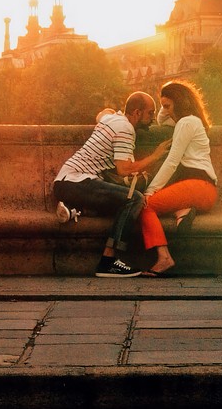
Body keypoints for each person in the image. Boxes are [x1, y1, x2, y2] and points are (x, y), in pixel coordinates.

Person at [52, 91, 157, 276]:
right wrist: (156, 156)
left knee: (117, 201)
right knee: (135, 199)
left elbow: (101, 114)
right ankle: (109, 261)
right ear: (137, 113)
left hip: (66, 182)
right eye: (150, 113)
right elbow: (123, 170)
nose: (153, 118)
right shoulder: (126, 129)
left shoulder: (112, 118)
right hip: (79, 181)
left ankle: (74, 210)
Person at [132, 79, 217, 277]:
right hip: (204, 189)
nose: (166, 111)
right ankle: (183, 210)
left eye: (168, 106)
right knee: (161, 202)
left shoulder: (186, 122)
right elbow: (162, 121)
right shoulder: (191, 121)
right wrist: (165, 102)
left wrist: (150, 191)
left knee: (145, 205)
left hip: (197, 186)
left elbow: (171, 161)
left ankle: (164, 257)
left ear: (180, 102)